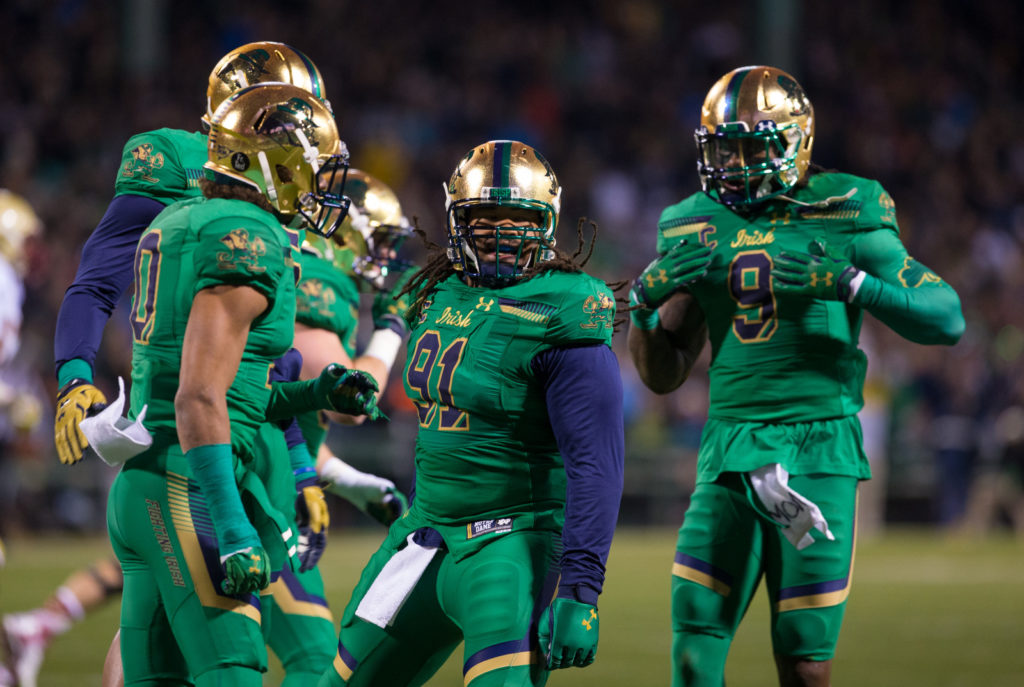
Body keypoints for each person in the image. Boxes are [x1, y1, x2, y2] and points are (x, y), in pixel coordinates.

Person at [3, 42, 335, 687]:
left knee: (168, 652)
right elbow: (96, 282)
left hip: (245, 426)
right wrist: (75, 375)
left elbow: (269, 349)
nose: (297, 133)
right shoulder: (172, 160)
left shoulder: (282, 184)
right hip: (189, 430)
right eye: (279, 117)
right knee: (230, 651)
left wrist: (297, 458)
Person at [626, 65, 965, 687]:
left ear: (796, 139)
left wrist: (848, 282)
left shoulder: (846, 204)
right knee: (694, 635)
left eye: (754, 144)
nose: (737, 160)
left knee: (804, 654)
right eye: (725, 146)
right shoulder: (691, 218)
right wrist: (642, 312)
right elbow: (664, 375)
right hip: (728, 444)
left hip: (819, 446)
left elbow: (947, 318)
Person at [318, 140, 625, 687]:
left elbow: (595, 465)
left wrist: (581, 590)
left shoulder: (565, 308)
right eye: (486, 220)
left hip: (509, 545)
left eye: (519, 220)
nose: (502, 235)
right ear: (458, 219)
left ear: (547, 222)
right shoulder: (439, 291)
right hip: (423, 533)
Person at [106, 81, 377, 686]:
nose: (317, 185)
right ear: (271, 166)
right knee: (233, 669)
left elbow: (230, 392)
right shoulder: (246, 235)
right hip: (190, 485)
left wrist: (315, 394)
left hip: (149, 481)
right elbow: (198, 397)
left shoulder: (184, 214)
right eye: (309, 169)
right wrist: (229, 527)